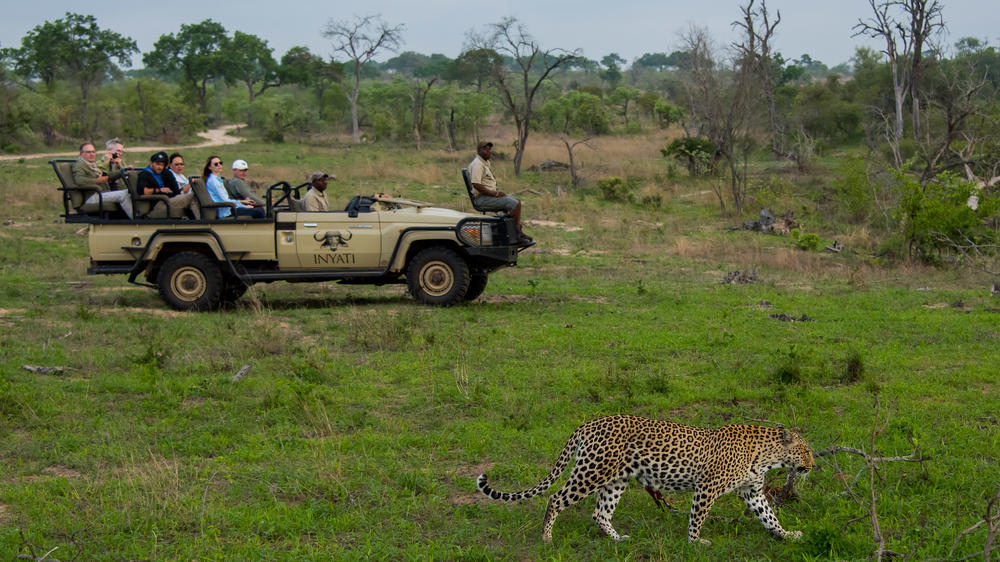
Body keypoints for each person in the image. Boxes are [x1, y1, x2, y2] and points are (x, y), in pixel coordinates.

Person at [467, 140, 531, 244]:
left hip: (487, 196)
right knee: (515, 204)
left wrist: (495, 193)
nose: (488, 152)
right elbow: (476, 184)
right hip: (482, 198)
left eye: (489, 149)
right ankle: (516, 234)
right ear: (478, 150)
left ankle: (515, 232)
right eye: (485, 149)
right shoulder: (478, 164)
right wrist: (495, 194)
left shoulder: (484, 162)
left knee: (515, 201)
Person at [71, 142, 133, 218]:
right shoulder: (79, 165)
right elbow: (79, 180)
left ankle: (133, 217)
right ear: (81, 154)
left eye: (93, 152)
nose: (92, 154)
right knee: (124, 194)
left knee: (130, 193)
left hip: (102, 193)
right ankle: (135, 220)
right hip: (92, 196)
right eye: (88, 152)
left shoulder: (92, 165)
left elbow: (107, 176)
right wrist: (98, 180)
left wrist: (122, 170)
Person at [137, 151, 200, 219]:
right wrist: (159, 190)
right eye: (158, 164)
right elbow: (142, 191)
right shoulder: (145, 174)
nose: (160, 167)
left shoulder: (160, 173)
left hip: (168, 199)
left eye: (162, 165)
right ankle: (202, 222)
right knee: (191, 196)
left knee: (195, 196)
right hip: (160, 202)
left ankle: (198, 220)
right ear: (151, 163)